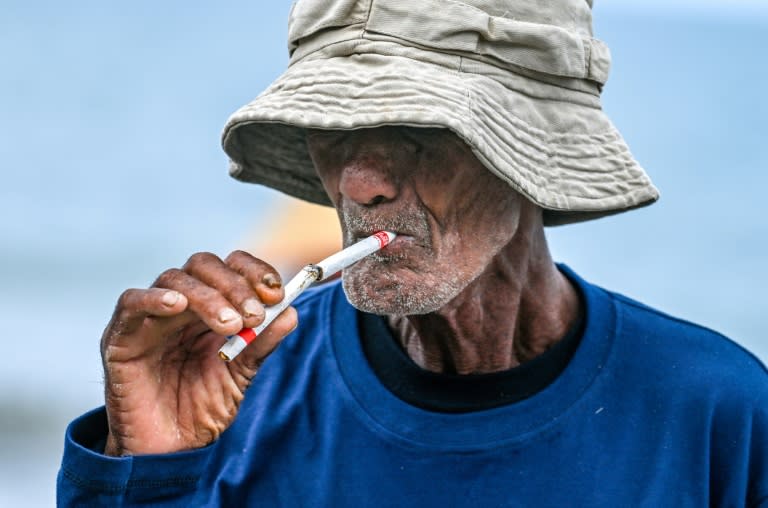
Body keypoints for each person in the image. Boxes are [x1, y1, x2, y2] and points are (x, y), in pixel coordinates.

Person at [58, 0, 768, 506]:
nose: (358, 183)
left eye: (418, 128)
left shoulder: (715, 413)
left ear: (533, 152)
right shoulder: (236, 396)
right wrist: (149, 474)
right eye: (332, 124)